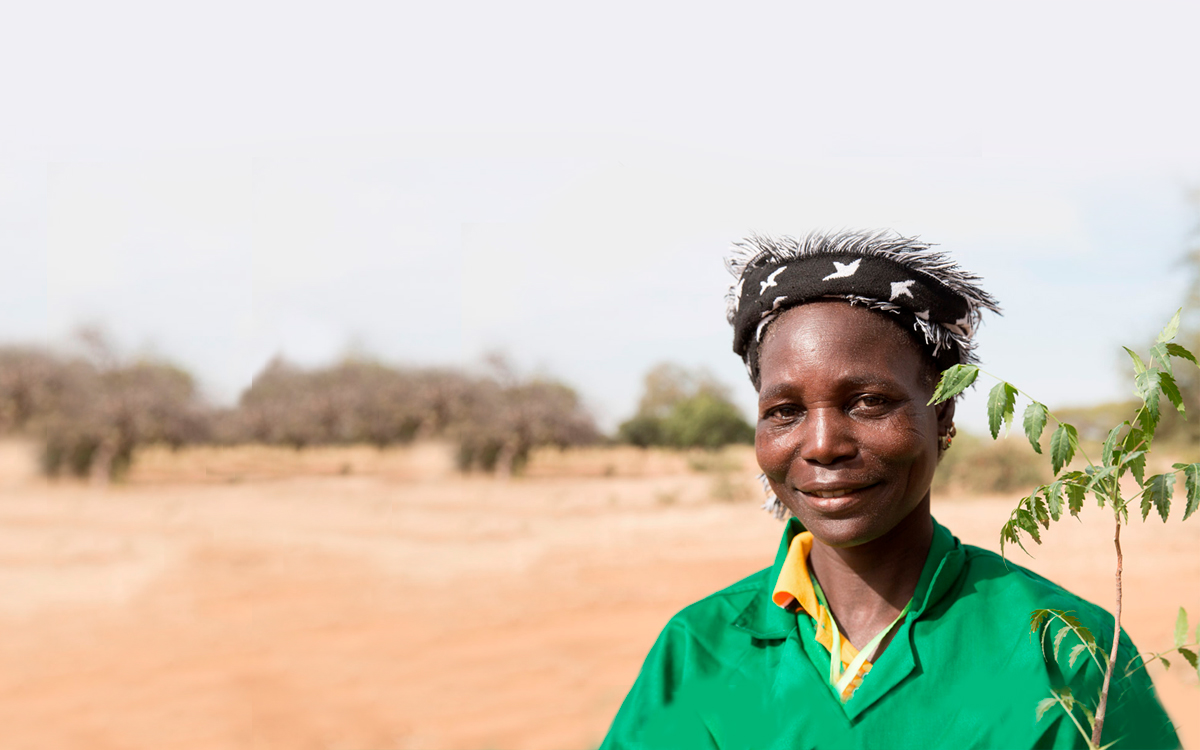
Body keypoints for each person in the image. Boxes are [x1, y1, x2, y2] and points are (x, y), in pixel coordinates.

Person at [600, 231, 1179, 750]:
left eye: (869, 401)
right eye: (785, 411)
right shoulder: (698, 650)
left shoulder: (1065, 649)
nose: (822, 444)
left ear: (942, 414)